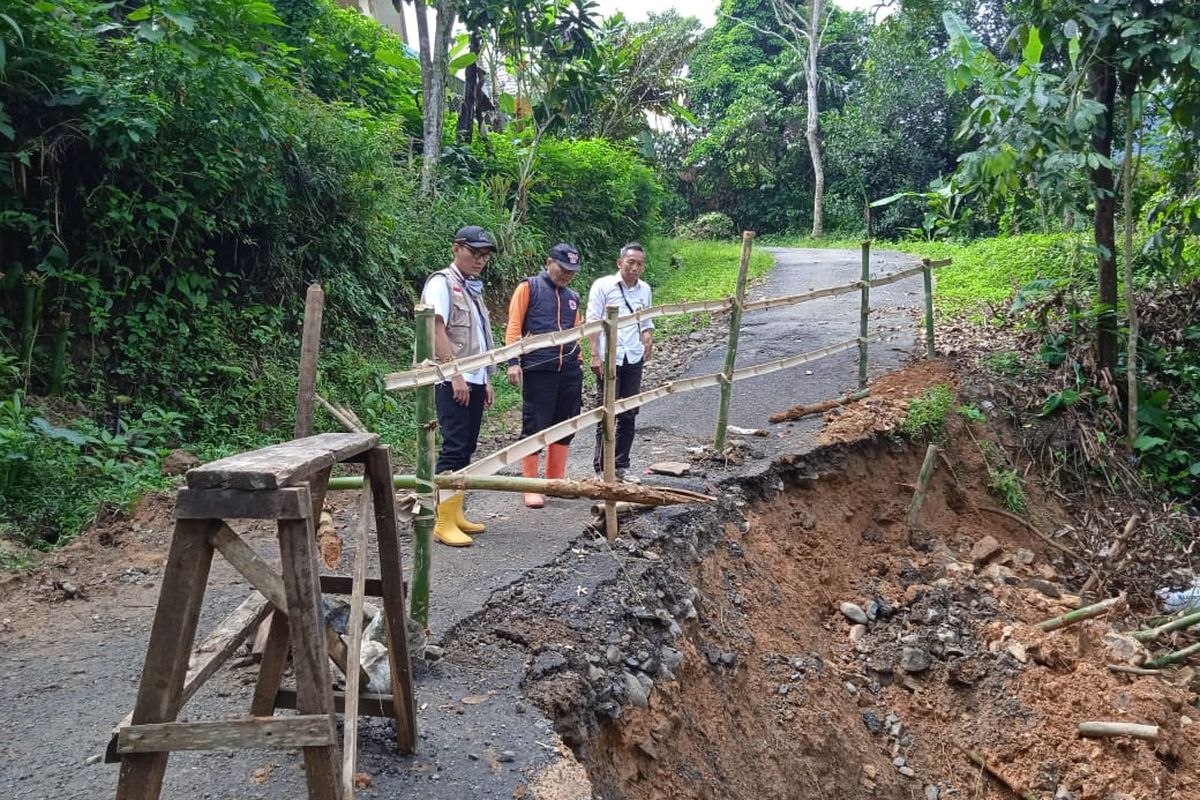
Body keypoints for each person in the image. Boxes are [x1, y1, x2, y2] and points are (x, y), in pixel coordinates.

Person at [420, 225, 497, 547]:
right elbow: (436, 329)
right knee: (453, 447)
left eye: (484, 256)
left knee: (467, 447)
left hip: (474, 376)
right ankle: (442, 520)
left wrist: (485, 378)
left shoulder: (472, 288)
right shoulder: (442, 283)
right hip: (452, 379)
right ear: (456, 248)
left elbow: (477, 336)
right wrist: (454, 374)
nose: (479, 260)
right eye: (474, 253)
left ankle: (456, 511)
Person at [505, 243, 585, 508]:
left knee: (565, 423)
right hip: (539, 368)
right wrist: (513, 361)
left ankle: (555, 480)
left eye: (572, 272)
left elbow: (578, 331)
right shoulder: (529, 288)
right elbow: (515, 325)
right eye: (563, 269)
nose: (567, 275)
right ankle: (531, 485)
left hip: (570, 370)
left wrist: (580, 361)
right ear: (548, 262)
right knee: (535, 424)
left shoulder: (573, 296)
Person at [586, 242, 654, 483]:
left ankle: (622, 465)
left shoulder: (644, 290)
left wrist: (648, 337)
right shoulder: (603, 286)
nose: (635, 267)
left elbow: (646, 320)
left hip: (633, 355)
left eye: (639, 264)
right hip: (609, 358)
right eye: (631, 262)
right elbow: (593, 322)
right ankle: (602, 468)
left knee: (629, 412)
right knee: (607, 412)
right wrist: (595, 355)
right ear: (620, 262)